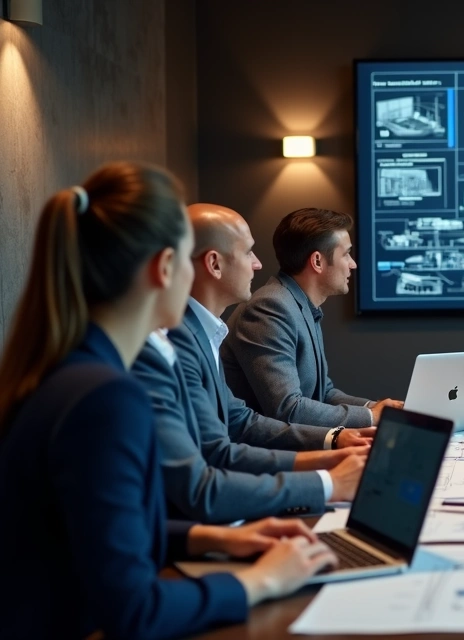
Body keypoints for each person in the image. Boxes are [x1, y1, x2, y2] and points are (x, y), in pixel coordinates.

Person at [0, 163, 334, 639]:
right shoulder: (107, 398)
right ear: (164, 268)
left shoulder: (71, 368)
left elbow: (91, 535)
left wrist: (216, 537)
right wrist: (262, 581)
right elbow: (134, 610)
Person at [133, 204, 370, 523]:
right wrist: (328, 480)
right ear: (214, 264)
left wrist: (333, 447)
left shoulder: (205, 332)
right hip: (207, 516)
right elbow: (216, 460)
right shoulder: (178, 340)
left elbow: (238, 421)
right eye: (248, 253)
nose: (258, 264)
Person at [221, 207, 402, 427]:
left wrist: (375, 408)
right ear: (317, 261)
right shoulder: (270, 308)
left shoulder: (301, 305)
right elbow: (288, 409)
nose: (353, 264)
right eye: (346, 254)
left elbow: (323, 393)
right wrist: (373, 417)